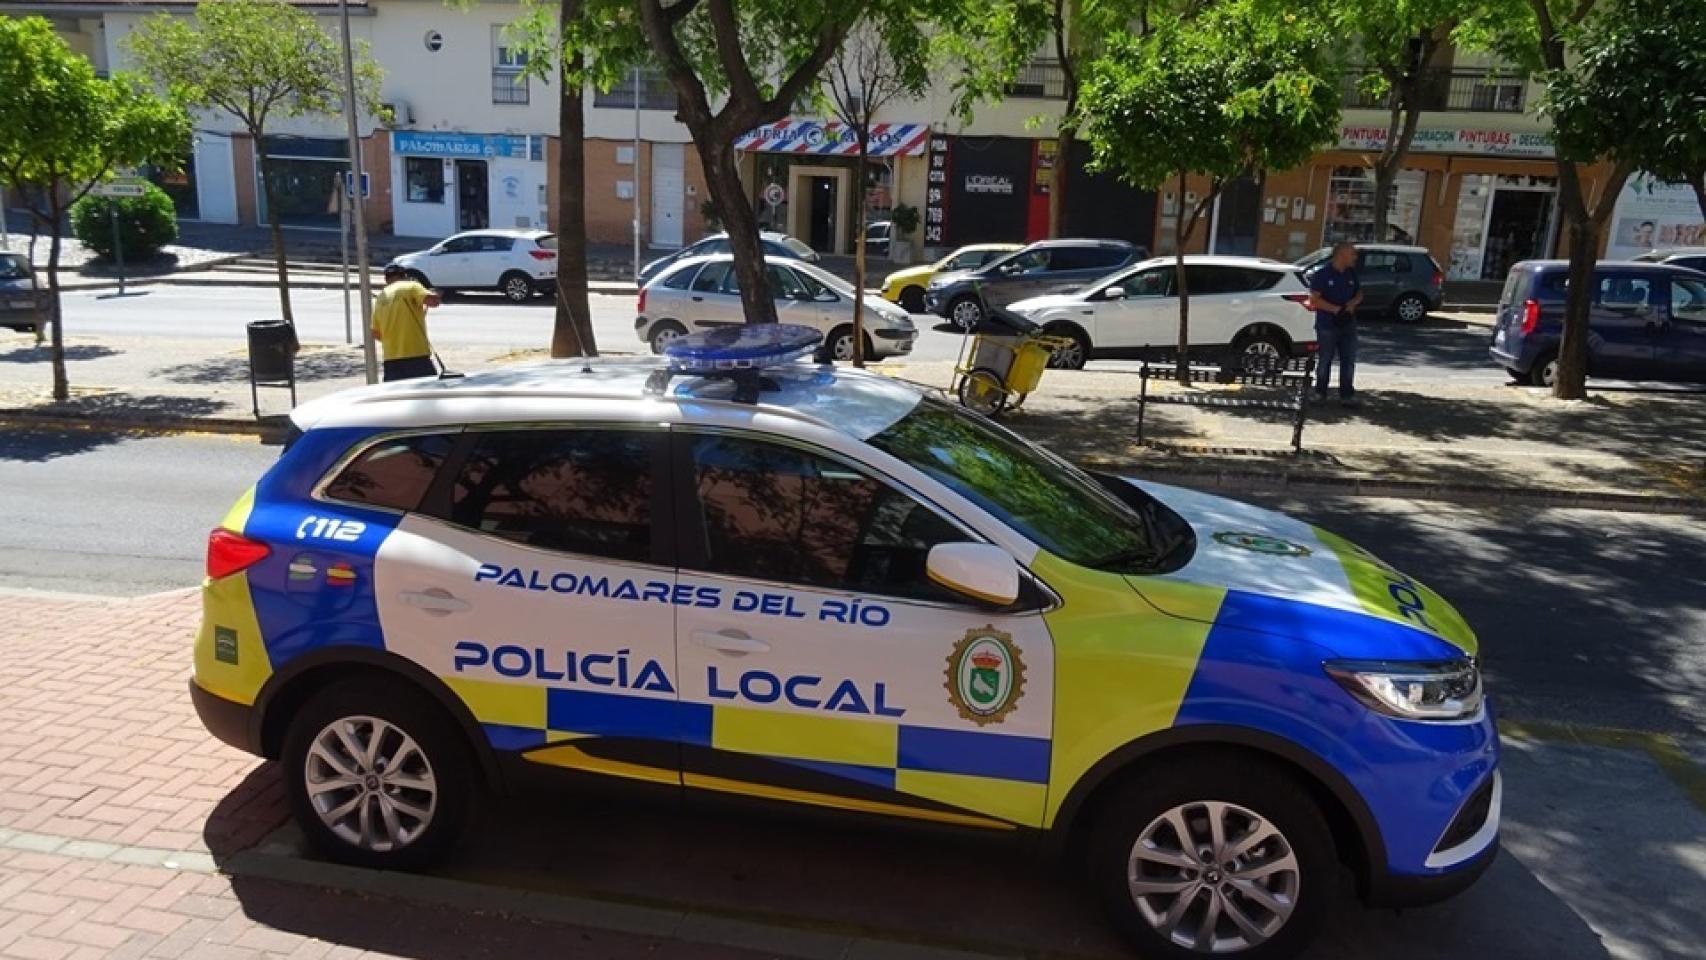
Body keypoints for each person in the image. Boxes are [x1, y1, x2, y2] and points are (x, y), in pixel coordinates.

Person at [1307, 242, 1364, 407]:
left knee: (1348, 360)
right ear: (1341, 255)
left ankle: (1347, 395)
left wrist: (1353, 303)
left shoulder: (1351, 273)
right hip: (1327, 325)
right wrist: (1335, 309)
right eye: (1352, 254)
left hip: (1348, 324)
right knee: (1325, 359)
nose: (1355, 258)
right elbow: (1314, 299)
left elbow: (1359, 292)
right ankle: (1320, 393)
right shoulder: (1323, 274)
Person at [370, 264, 441, 382]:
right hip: (416, 354)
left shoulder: (381, 297)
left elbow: (375, 333)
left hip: (391, 359)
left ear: (386, 279)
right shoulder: (411, 286)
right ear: (404, 276)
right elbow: (432, 301)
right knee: (426, 394)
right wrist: (437, 294)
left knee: (397, 397)